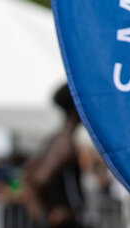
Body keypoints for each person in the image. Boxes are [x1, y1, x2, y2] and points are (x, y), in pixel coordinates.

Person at [23, 83, 85, 228]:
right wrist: (52, 215)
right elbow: (38, 180)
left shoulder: (61, 139)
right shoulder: (63, 142)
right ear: (75, 108)